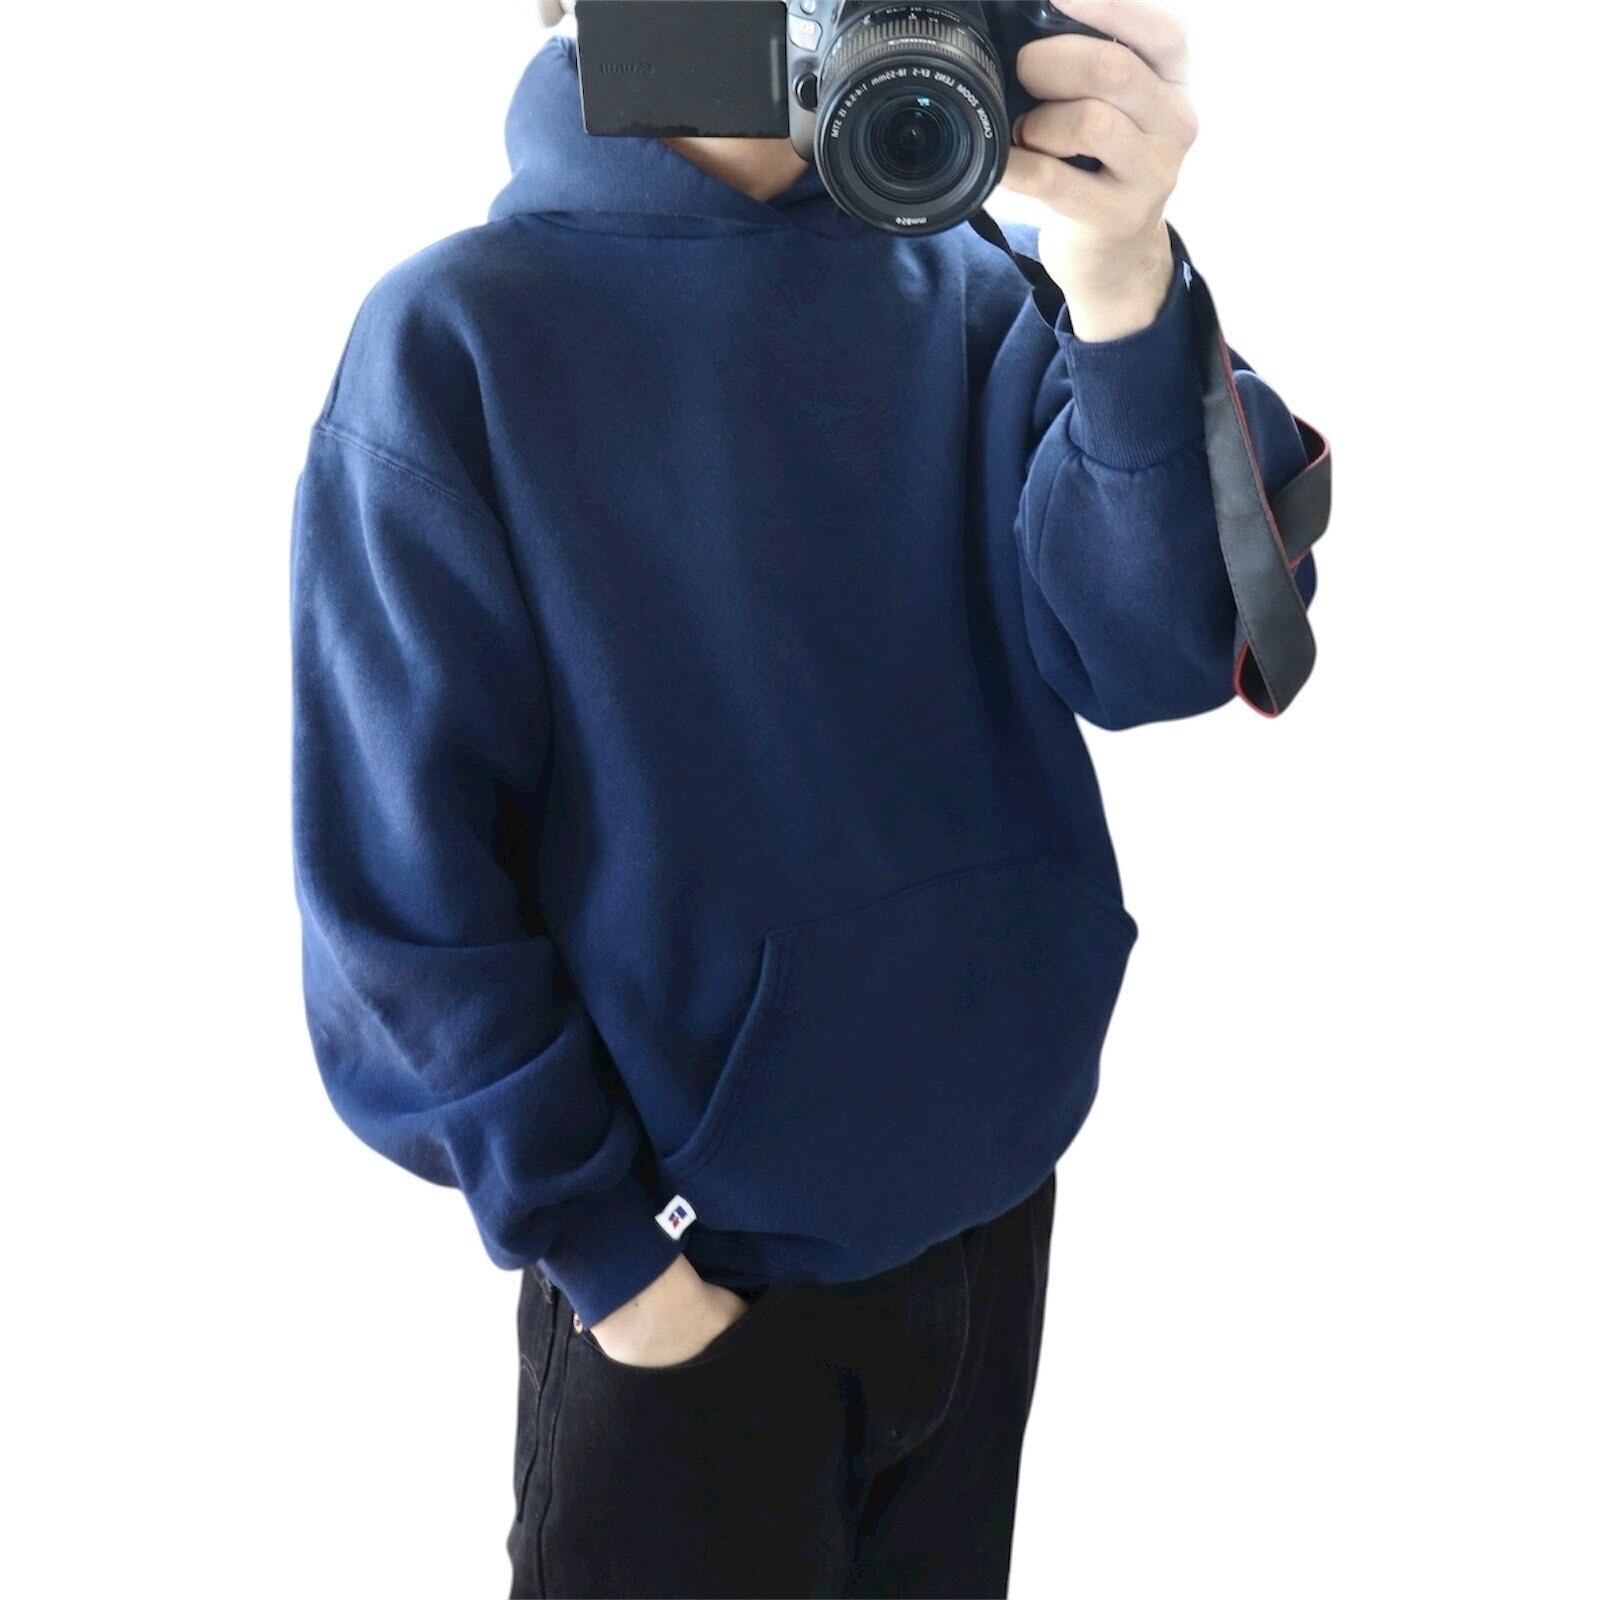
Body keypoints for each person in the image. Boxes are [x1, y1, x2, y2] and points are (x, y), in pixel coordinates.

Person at [288, 3, 1321, 1594]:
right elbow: (399, 900)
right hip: (696, 1304)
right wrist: (619, 1269)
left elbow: (1158, 650)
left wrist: (1123, 278)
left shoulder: (983, 287)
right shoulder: (460, 339)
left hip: (990, 1226)